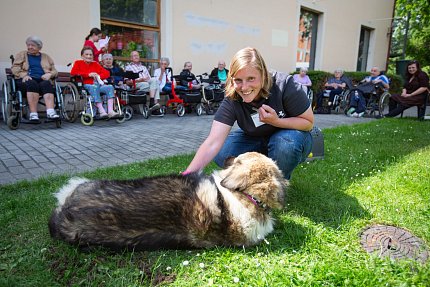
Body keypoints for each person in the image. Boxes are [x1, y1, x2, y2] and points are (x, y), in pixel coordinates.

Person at [182, 47, 314, 180]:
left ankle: (275, 183)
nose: (244, 87)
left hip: (290, 136)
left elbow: (308, 123)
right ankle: (257, 175)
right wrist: (186, 178)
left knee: (285, 146)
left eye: (251, 78)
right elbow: (212, 142)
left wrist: (276, 121)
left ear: (263, 75)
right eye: (238, 80)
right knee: (223, 153)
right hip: (256, 137)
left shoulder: (284, 84)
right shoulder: (232, 97)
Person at [11, 36, 60, 122]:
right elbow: (15, 68)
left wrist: (50, 74)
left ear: (39, 47)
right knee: (32, 83)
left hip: (42, 80)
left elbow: (54, 71)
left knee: (47, 84)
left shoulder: (46, 57)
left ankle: (51, 112)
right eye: (28, 45)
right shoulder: (21, 54)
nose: (30, 47)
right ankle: (33, 114)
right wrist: (23, 75)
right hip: (26, 80)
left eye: (32, 45)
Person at [70, 46, 118, 118]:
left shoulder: (95, 64)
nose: (89, 56)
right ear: (82, 56)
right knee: (94, 87)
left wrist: (98, 76)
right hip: (86, 85)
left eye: (90, 54)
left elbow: (107, 73)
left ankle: (110, 111)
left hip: (98, 85)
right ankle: (102, 111)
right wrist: (88, 75)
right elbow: (73, 73)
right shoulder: (78, 63)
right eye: (86, 54)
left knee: (109, 87)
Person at [124, 51, 162, 115]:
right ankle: (153, 105)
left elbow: (150, 79)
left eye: (137, 55)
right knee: (155, 85)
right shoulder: (128, 67)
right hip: (136, 85)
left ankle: (153, 103)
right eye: (134, 55)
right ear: (131, 58)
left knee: (154, 81)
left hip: (146, 83)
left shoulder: (143, 67)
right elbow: (127, 82)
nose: (136, 57)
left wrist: (147, 80)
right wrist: (140, 80)